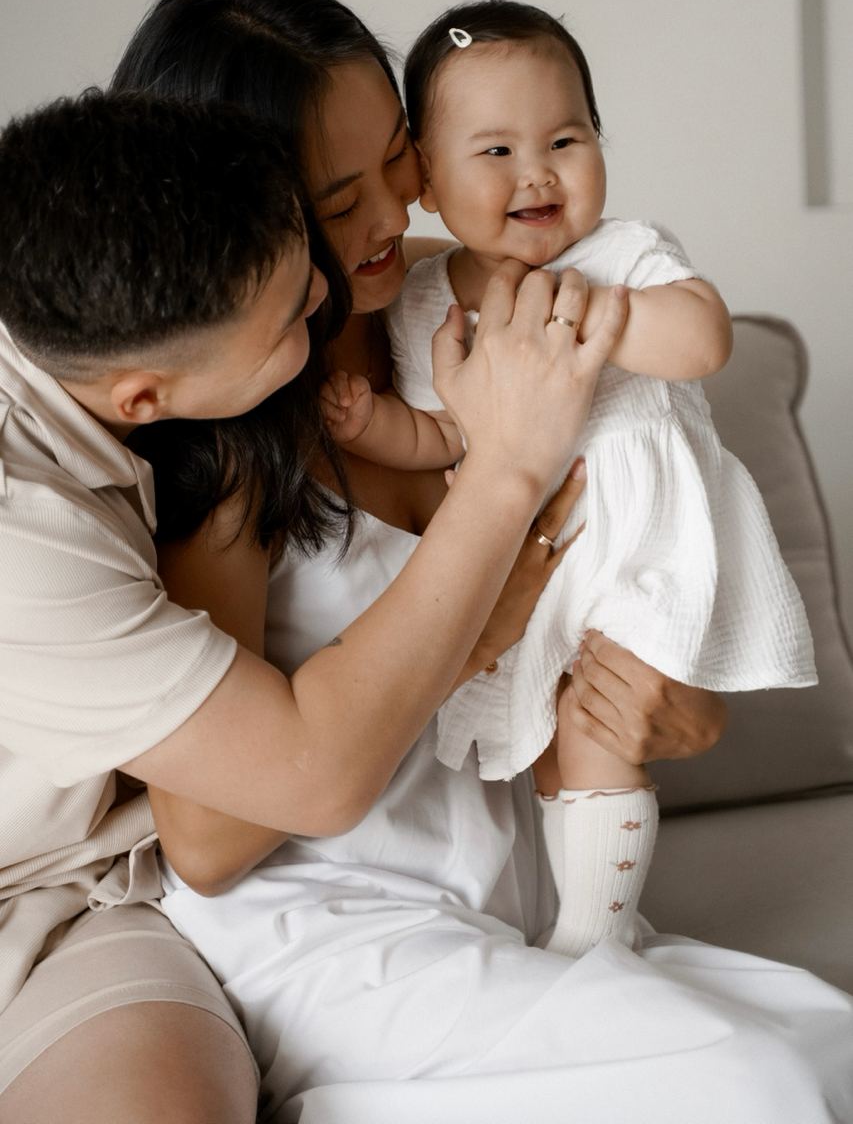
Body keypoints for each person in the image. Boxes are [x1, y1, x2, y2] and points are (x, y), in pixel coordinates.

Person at [107, 0, 852, 1123]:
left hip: (524, 898)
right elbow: (204, 841)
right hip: (336, 924)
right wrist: (478, 619)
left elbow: (630, 543)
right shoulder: (228, 437)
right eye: (336, 199)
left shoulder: (466, 299)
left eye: (398, 160)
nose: (389, 219)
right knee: (762, 1088)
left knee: (829, 1047)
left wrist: (677, 704)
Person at [0, 88, 627, 1123]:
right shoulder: (29, 534)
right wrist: (507, 469)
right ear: (143, 398)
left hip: (88, 903)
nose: (331, 303)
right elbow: (311, 776)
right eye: (296, 315)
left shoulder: (92, 311)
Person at [321, 0, 816, 958]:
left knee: (602, 723)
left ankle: (599, 934)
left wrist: (582, 310)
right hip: (530, 566)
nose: (536, 171)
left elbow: (701, 341)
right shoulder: (423, 299)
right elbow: (448, 435)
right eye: (494, 150)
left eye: (564, 138)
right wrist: (376, 425)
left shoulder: (622, 255)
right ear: (426, 179)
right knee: (545, 736)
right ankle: (579, 926)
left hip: (635, 542)